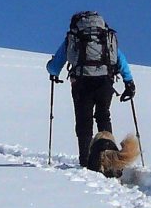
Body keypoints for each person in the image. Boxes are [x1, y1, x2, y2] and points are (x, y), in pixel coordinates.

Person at [46, 11, 135, 168]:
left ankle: (86, 161)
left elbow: (54, 67)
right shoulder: (105, 36)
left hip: (82, 83)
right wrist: (129, 82)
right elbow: (120, 59)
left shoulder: (74, 36)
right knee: (103, 117)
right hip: (105, 82)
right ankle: (108, 159)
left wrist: (51, 68)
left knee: (84, 122)